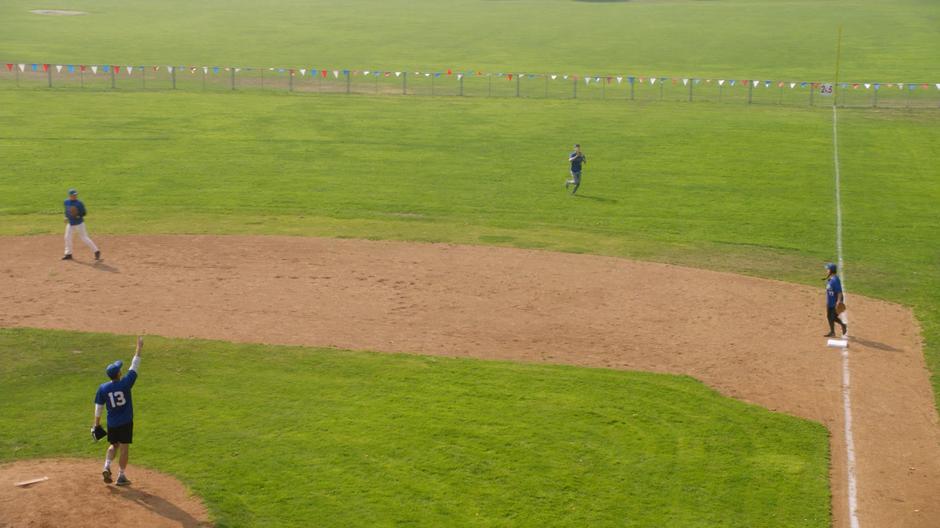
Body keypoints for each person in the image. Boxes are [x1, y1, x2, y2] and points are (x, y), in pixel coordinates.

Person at [93, 336, 143, 486]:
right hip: (126, 422)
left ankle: (106, 466)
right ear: (119, 374)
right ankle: (121, 476)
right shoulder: (126, 383)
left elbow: (99, 406)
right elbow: (135, 365)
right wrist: (139, 347)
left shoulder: (103, 388)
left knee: (113, 445)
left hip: (112, 423)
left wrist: (96, 424)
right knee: (124, 448)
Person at [62, 188, 100, 261]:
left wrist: (78, 216)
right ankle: (68, 254)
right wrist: (66, 217)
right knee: (67, 237)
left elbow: (84, 213)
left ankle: (96, 251)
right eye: (73, 195)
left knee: (84, 238)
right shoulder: (66, 202)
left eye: (76, 195)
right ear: (70, 195)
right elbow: (67, 211)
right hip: (70, 224)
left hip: (79, 224)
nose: (75, 196)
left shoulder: (79, 203)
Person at [824, 263, 848, 338]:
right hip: (830, 302)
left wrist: (838, 302)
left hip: (835, 302)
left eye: (827, 269)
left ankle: (843, 325)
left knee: (832, 317)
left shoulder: (835, 280)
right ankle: (832, 332)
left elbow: (839, 292)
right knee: (829, 316)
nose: (826, 270)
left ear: (831, 270)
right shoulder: (830, 278)